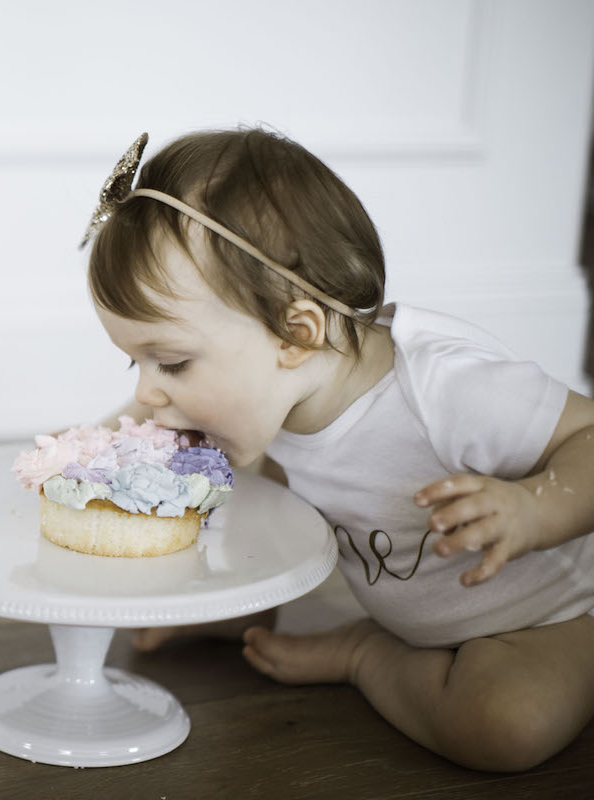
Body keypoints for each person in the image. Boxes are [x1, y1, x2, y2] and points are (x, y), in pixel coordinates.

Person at [82, 129, 594, 772]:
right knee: (252, 488)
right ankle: (244, 606)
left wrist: (533, 509)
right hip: (428, 606)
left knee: (501, 726)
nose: (147, 393)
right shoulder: (287, 387)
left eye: (172, 363)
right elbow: (135, 431)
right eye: (137, 364)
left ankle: (364, 655)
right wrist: (92, 451)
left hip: (548, 617)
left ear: (296, 335)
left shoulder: (448, 391)